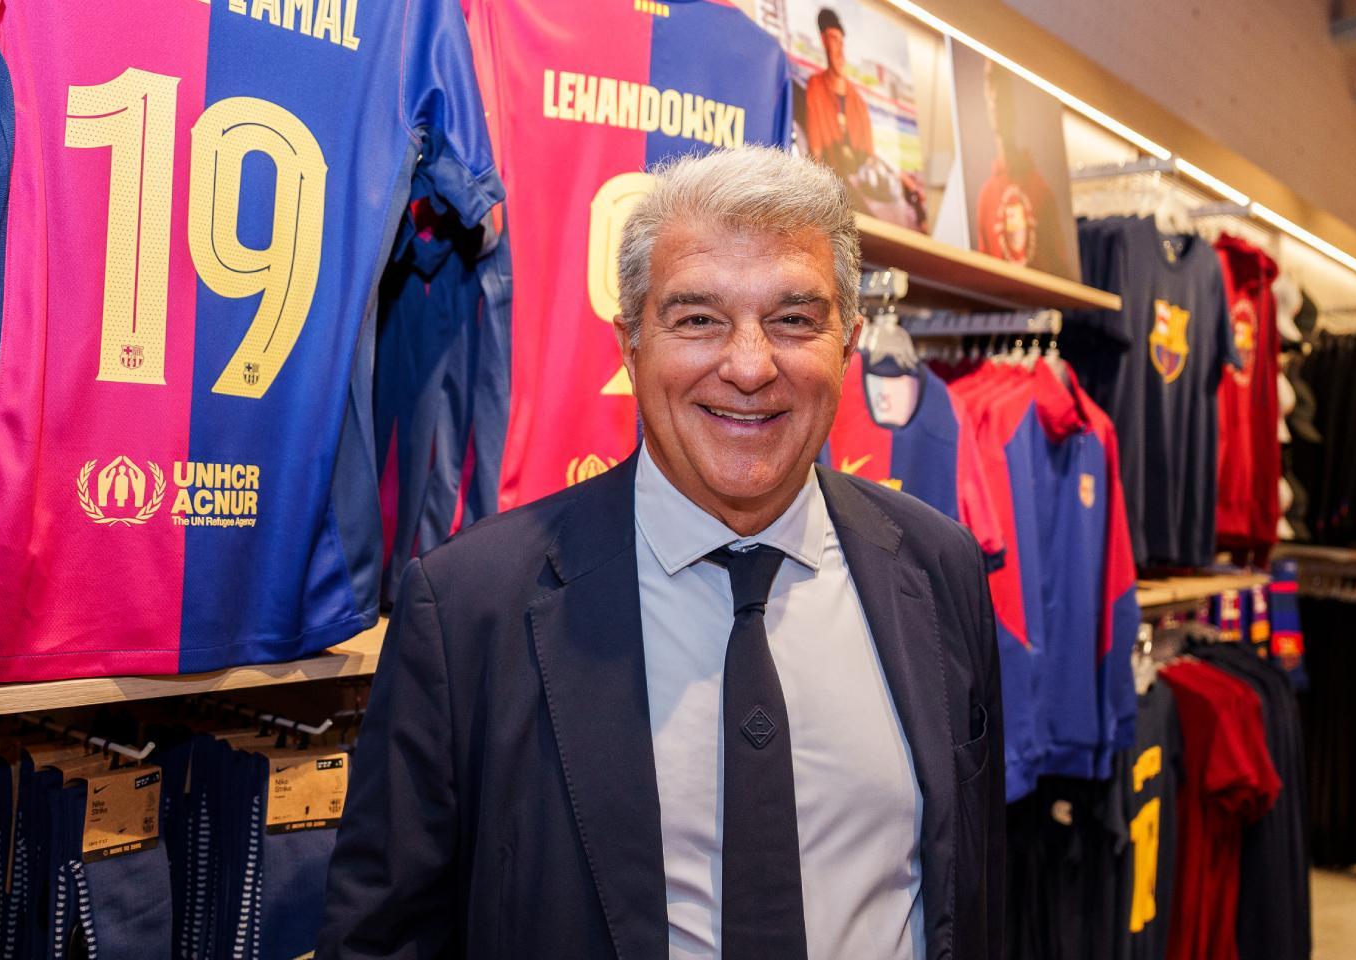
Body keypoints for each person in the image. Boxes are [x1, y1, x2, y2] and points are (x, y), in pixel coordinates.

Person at [319, 146, 1005, 959]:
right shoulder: (469, 609)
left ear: (848, 343)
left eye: (794, 319)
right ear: (630, 343)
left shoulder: (940, 567)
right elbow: (383, 941)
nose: (749, 366)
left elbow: (977, 892)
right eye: (697, 318)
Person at [972, 59, 1065, 274]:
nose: (995, 96)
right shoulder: (986, 197)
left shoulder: (1043, 192)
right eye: (990, 84)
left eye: (1002, 84)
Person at [804, 8, 875, 179]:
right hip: (832, 183)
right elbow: (816, 150)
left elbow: (870, 156)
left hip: (857, 183)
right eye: (834, 40)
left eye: (841, 42)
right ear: (823, 41)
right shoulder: (816, 86)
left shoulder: (858, 101)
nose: (839, 50)